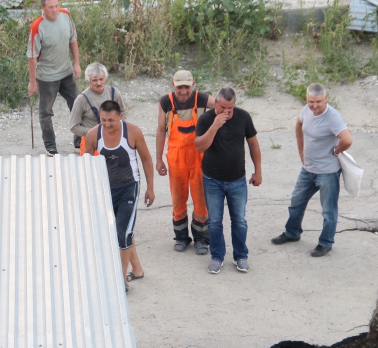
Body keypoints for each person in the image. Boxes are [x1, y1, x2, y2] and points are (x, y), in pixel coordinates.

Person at [271, 83, 352, 257]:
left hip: (327, 172)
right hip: (308, 169)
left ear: (326, 99)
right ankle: (292, 233)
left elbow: (347, 140)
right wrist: (301, 150)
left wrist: (336, 151)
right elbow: (299, 124)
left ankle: (325, 243)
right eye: (310, 101)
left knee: (328, 210)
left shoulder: (333, 117)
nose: (314, 106)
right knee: (296, 202)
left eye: (318, 102)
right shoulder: (307, 110)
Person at [83, 100, 155, 291]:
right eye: (103, 120)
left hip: (129, 187)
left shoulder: (133, 132)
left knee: (122, 232)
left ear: (120, 117)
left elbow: (146, 159)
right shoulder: (93, 135)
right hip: (105, 189)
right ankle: (137, 269)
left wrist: (150, 188)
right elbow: (84, 165)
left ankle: (120, 278)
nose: (106, 124)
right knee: (121, 230)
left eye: (111, 120)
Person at [195, 88, 262, 274]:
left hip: (237, 180)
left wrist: (258, 171)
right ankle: (217, 257)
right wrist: (215, 126)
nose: (227, 111)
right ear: (215, 103)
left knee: (239, 220)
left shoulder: (243, 117)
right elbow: (200, 146)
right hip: (212, 180)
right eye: (223, 107)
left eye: (230, 108)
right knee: (215, 221)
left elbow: (253, 144)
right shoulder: (206, 120)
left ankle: (241, 255)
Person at [156, 70, 215, 254]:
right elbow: (160, 131)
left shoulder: (204, 99)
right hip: (176, 158)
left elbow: (225, 107)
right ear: (173, 85)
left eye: (186, 87)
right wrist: (158, 159)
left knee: (200, 200)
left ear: (193, 84)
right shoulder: (165, 102)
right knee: (178, 198)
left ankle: (201, 239)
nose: (183, 91)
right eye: (179, 87)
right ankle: (181, 237)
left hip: (200, 158)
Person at [27, 0, 81, 156]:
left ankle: (79, 141)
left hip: (66, 72)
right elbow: (31, 56)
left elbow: (73, 39)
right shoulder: (37, 26)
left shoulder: (65, 15)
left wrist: (77, 63)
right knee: (46, 111)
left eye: (56, 6)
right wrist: (33, 82)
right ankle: (50, 145)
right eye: (51, 7)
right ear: (43, 8)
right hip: (46, 77)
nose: (55, 10)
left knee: (77, 103)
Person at [69, 62, 125, 154]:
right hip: (91, 142)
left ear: (105, 78)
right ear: (88, 80)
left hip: (113, 139)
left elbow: (123, 111)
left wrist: (118, 127)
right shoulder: (81, 99)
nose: (98, 83)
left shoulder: (114, 93)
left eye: (101, 79)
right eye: (95, 80)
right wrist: (97, 132)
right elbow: (73, 126)